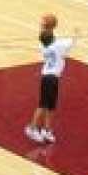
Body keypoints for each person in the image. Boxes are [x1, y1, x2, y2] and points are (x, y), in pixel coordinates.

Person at [27, 14, 73, 144]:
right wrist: (76, 33)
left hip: (49, 77)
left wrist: (47, 27)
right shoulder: (59, 46)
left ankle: (46, 129)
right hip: (50, 78)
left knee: (50, 106)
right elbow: (71, 41)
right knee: (43, 105)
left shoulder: (45, 46)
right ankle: (32, 127)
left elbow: (48, 36)